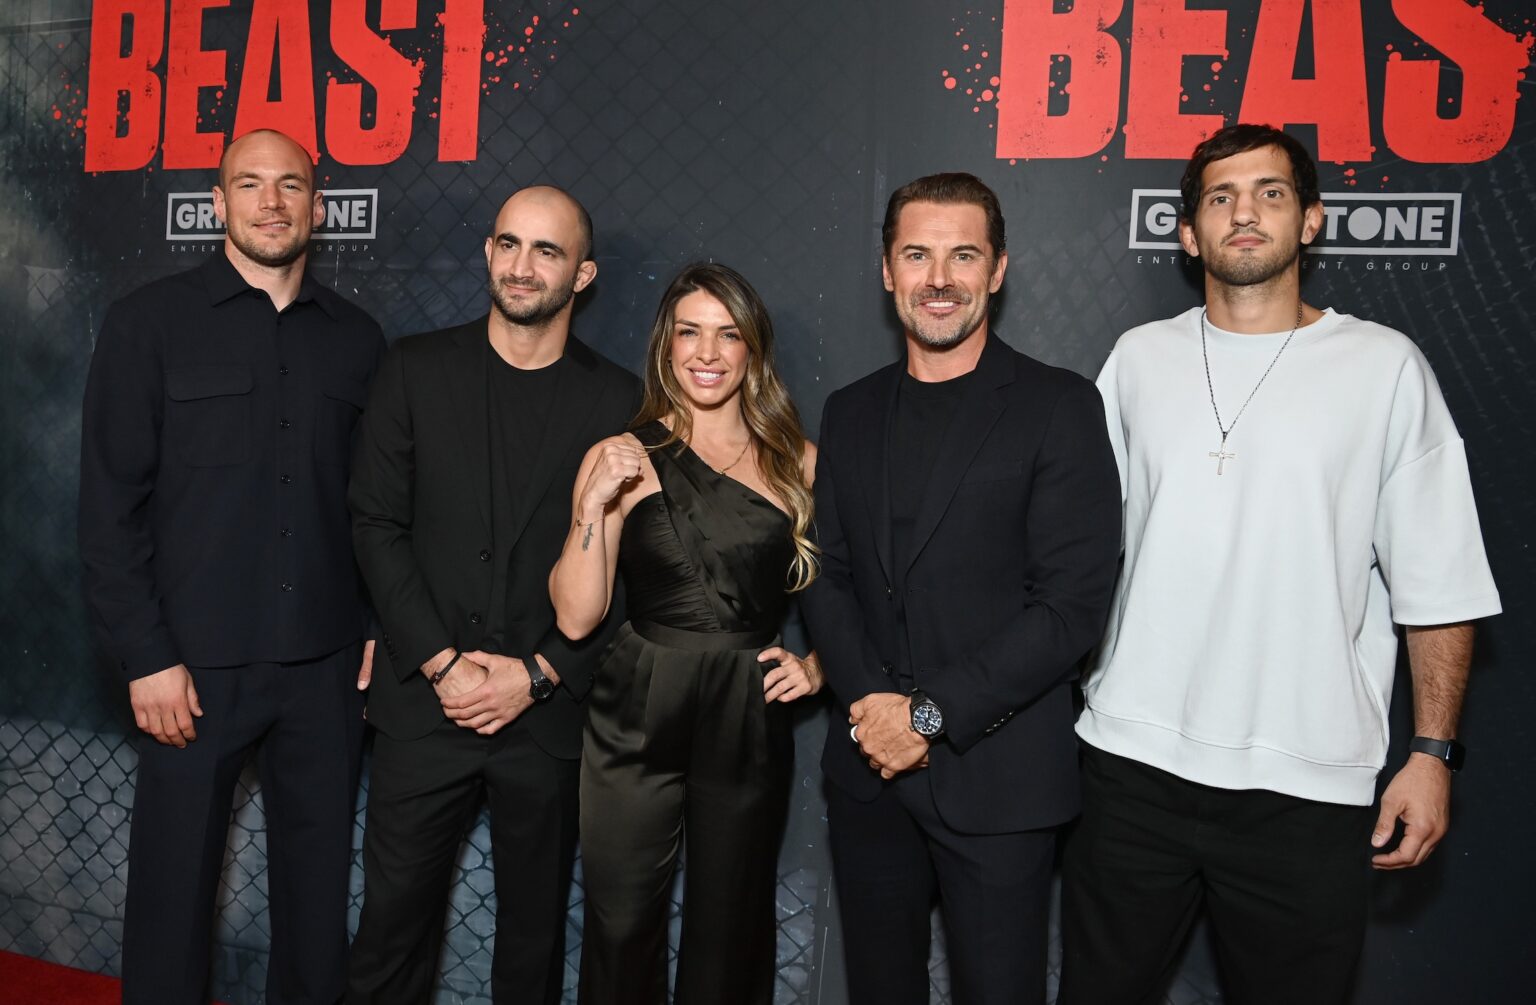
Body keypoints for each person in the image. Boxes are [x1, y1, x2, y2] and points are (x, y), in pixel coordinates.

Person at [1059, 123, 1503, 1004]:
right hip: (1130, 765)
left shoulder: (1385, 368)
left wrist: (1432, 754)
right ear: (1189, 234)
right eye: (1220, 197)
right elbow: (1070, 546)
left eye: (1270, 193)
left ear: (1311, 220)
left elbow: (1439, 580)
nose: (1245, 213)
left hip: (1307, 783)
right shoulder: (1138, 359)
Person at [78, 128, 384, 1005]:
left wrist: (374, 623)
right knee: (171, 900)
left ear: (317, 206)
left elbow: (377, 503)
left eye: (290, 185)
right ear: (217, 203)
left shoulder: (359, 340)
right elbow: (108, 508)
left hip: (326, 667)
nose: (271, 202)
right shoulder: (148, 323)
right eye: (249, 184)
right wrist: (145, 654)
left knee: (317, 908)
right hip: (190, 667)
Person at [801, 173, 1122, 1005]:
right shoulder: (849, 411)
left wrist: (927, 717)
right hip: (869, 770)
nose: (938, 278)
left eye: (963, 255)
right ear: (887, 271)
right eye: (917, 254)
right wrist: (874, 708)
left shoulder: (1058, 406)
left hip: (999, 778)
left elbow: (1070, 607)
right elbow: (826, 573)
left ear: (998, 268)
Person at [345, 185, 640, 1003]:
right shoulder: (414, 368)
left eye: (547, 250)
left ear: (582, 275)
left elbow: (631, 575)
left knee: (532, 945)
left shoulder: (619, 400)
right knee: (389, 933)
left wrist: (540, 673)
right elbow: (375, 523)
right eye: (508, 243)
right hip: (423, 706)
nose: (521, 265)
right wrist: (442, 663)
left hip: (545, 719)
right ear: (487, 252)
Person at [549, 262, 823, 1004]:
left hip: (745, 706)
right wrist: (592, 506)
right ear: (666, 345)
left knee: (731, 926)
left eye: (727, 334)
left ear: (751, 348)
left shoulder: (797, 463)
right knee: (619, 921)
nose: (706, 353)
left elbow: (857, 594)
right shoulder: (622, 456)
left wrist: (819, 665)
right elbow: (575, 615)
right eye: (689, 332)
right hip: (636, 705)